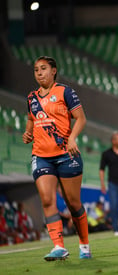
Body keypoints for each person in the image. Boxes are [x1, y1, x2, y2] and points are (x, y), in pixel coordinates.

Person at [22, 56, 91, 260]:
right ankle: (58, 246)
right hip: (41, 155)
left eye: (43, 69)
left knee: (73, 203)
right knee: (46, 199)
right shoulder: (31, 98)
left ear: (54, 71)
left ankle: (84, 245)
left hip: (65, 155)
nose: (39, 73)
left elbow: (81, 118)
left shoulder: (65, 92)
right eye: (36, 70)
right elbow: (30, 120)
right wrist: (28, 133)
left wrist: (72, 139)